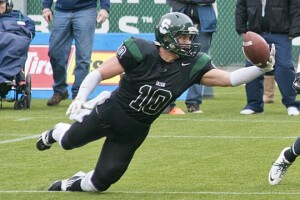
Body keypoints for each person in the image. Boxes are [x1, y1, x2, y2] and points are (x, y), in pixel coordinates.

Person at [36, 12, 275, 192]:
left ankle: (70, 184)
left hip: (136, 128)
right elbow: (99, 73)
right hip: (110, 111)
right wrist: (80, 97)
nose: (188, 42)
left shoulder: (192, 64)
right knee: (68, 142)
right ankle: (55, 132)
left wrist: (261, 67)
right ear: (167, 37)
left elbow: (231, 79)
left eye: (189, 37)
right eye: (183, 37)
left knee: (100, 183)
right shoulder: (140, 50)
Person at [235, 0, 300, 116]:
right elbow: (241, 7)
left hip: (281, 33)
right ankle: (254, 105)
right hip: (255, 33)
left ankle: (291, 104)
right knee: (251, 67)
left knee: (284, 67)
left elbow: (296, 7)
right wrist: (241, 29)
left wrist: (294, 31)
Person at [42, 0, 110, 106]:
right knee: (55, 53)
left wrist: (105, 7)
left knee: (83, 57)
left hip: (86, 10)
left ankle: (78, 95)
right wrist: (46, 7)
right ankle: (60, 90)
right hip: (61, 11)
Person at [165, 0, 218, 113]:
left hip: (204, 23)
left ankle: (194, 103)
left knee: (200, 62)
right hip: (178, 23)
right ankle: (167, 103)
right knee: (174, 58)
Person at [0, 0, 35, 85]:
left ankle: (4, 77)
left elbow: (29, 35)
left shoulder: (22, 18)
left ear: (8, 4)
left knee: (16, 41)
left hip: (13, 45)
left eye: (1, 3)